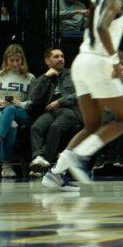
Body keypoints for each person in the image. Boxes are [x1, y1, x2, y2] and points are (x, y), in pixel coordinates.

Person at [42, 0, 123, 191]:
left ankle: (55, 173)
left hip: (82, 62)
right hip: (98, 65)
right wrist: (114, 61)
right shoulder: (113, 1)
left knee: (92, 125)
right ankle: (79, 156)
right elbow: (104, 32)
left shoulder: (96, 4)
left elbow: (100, 43)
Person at [0, 45, 34, 178]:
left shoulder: (30, 78)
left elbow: (33, 102)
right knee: (11, 124)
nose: (15, 63)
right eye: (12, 60)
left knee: (11, 109)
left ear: (22, 60)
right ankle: (6, 166)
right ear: (6, 60)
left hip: (21, 112)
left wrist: (20, 103)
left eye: (18, 60)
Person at [27, 48, 80, 177]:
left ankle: (44, 162)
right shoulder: (41, 79)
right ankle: (39, 158)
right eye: (56, 57)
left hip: (70, 110)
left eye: (62, 56)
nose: (61, 59)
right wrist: (46, 78)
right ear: (47, 61)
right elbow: (34, 100)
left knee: (55, 127)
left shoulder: (73, 74)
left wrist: (60, 101)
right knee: (36, 127)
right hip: (50, 112)